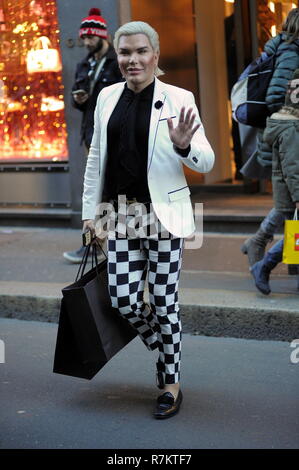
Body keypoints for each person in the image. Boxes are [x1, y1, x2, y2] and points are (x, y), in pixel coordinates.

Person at [81, 21, 215, 419]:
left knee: (162, 299)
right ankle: (165, 346)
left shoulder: (177, 98)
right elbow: (95, 161)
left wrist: (185, 145)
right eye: (125, 53)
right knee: (122, 298)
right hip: (119, 215)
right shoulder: (106, 97)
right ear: (117, 56)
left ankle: (170, 383)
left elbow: (206, 162)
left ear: (155, 54)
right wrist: (91, 215)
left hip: (163, 217)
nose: (132, 60)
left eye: (141, 51)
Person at [63, 8, 123, 263]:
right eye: (83, 38)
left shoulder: (117, 61)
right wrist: (79, 98)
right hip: (92, 135)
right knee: (96, 192)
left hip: (117, 136)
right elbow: (77, 97)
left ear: (102, 35)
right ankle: (92, 244)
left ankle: (113, 243)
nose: (86, 42)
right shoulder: (84, 64)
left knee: (112, 191)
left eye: (90, 37)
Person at [241, 8, 299, 267]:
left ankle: (283, 256)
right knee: (289, 201)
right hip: (288, 134)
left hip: (284, 132)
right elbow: (277, 96)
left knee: (288, 202)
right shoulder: (291, 54)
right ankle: (264, 244)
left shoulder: (285, 51)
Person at [250, 69, 299, 295]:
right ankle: (264, 264)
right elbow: (293, 167)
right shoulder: (291, 128)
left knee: (296, 239)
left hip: (290, 192)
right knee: (295, 238)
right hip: (293, 193)